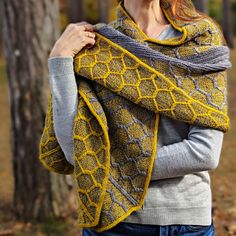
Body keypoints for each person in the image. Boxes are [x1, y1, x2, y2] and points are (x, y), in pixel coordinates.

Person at [47, 0, 224, 235]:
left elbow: (205, 152)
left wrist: (107, 167)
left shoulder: (200, 38)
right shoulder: (95, 47)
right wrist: (60, 59)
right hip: (112, 223)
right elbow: (76, 151)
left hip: (186, 224)